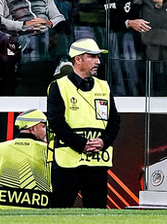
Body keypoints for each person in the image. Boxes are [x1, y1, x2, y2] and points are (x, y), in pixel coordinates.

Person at [47, 38, 120, 208]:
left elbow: (114, 120)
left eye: (98, 57)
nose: (98, 61)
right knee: (59, 214)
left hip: (97, 162)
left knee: (97, 215)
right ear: (78, 59)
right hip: (68, 162)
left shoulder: (104, 86)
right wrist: (82, 145)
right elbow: (56, 122)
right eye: (92, 56)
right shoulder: (59, 86)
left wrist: (103, 141)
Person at [89, 0, 157, 96]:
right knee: (117, 37)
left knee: (129, 39)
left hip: (132, 38)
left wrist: (159, 4)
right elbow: (99, 20)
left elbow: (148, 19)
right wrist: (127, 23)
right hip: (106, 36)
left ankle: (135, 91)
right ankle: (118, 91)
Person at [0, 108, 51, 209]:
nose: (46, 131)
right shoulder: (46, 149)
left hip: (4, 206)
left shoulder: (0, 148)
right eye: (43, 126)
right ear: (32, 128)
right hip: (37, 207)